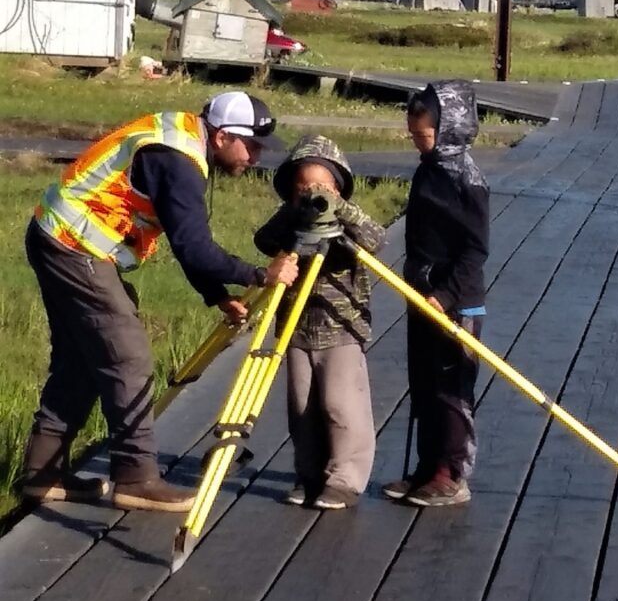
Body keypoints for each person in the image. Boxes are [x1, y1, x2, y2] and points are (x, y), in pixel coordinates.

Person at [22, 91, 299, 512]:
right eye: (252, 146)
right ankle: (135, 479)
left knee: (79, 360)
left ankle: (43, 475)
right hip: (74, 246)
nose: (256, 157)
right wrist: (261, 275)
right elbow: (194, 247)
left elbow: (180, 237)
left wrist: (216, 295)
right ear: (223, 137)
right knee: (128, 360)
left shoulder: (183, 140)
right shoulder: (179, 162)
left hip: (58, 236)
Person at [254, 134, 385, 510]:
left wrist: (340, 210)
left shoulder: (349, 222)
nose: (314, 194)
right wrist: (295, 212)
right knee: (303, 407)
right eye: (303, 187)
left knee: (340, 405)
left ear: (339, 188)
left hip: (340, 325)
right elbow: (264, 240)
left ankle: (345, 478)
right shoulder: (291, 219)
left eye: (323, 187)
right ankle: (309, 475)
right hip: (296, 327)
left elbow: (376, 240)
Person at [384, 80, 490, 507]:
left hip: (456, 301)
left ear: (448, 128)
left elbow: (475, 251)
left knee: (451, 388)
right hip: (420, 292)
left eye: (422, 135)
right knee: (423, 383)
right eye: (413, 135)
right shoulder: (430, 167)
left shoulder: (468, 181)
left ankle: (451, 473)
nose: (417, 143)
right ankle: (427, 468)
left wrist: (445, 297)